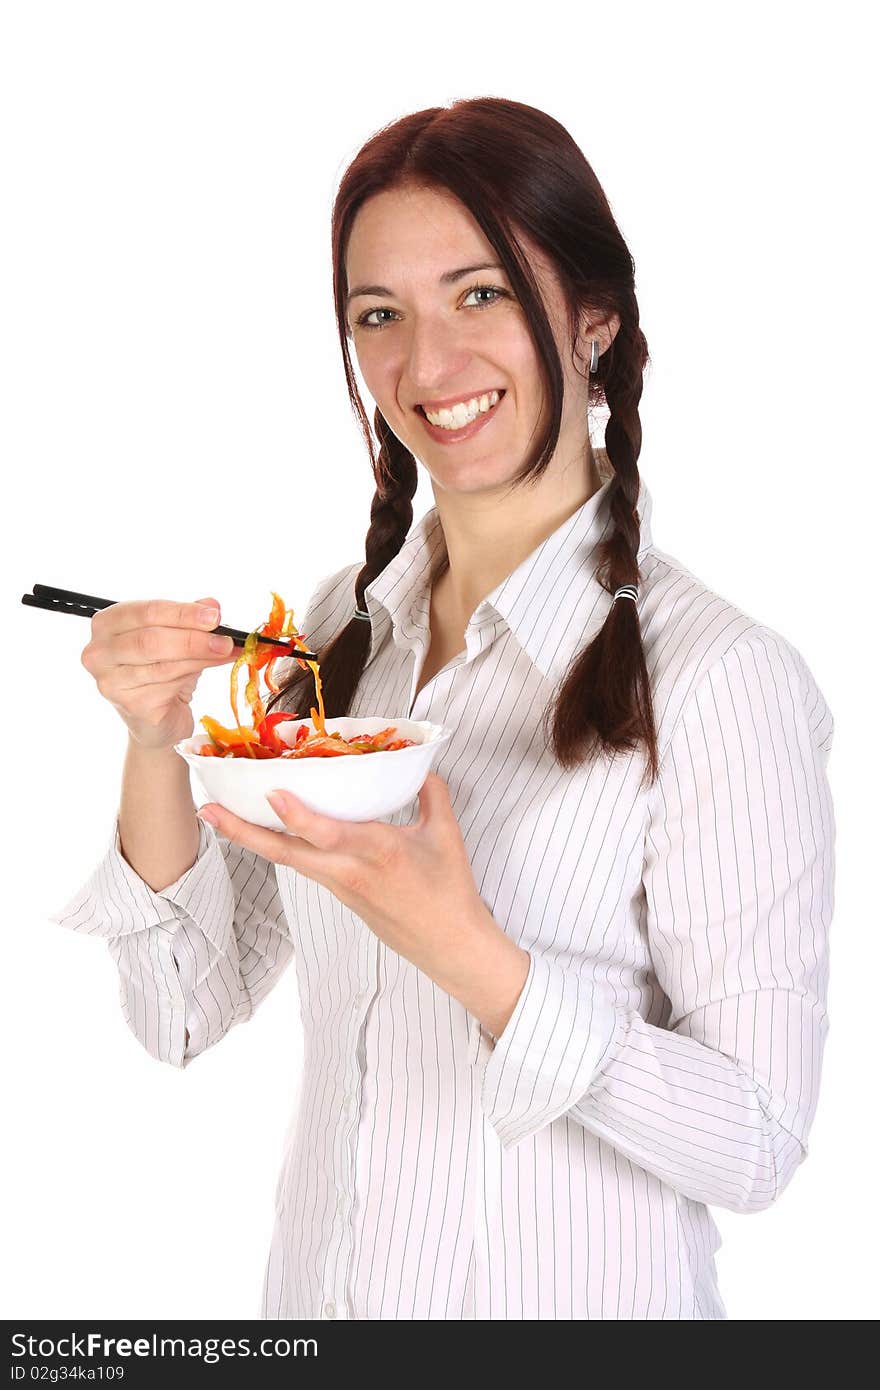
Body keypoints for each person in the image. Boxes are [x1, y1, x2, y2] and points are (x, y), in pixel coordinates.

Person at [50, 97, 836, 1321]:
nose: (426, 366)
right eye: (380, 316)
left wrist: (469, 953)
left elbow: (756, 1142)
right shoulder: (335, 636)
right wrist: (156, 743)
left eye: (479, 295)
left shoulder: (721, 677)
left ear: (591, 317)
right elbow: (185, 1017)